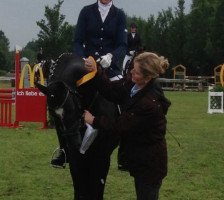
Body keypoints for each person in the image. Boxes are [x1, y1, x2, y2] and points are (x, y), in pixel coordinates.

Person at [50, 0, 127, 199]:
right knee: (63, 103)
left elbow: (122, 44)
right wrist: (83, 60)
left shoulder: (119, 15)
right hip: (86, 69)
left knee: (126, 99)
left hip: (110, 69)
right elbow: (77, 40)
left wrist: (111, 56)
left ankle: (125, 151)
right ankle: (63, 150)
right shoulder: (86, 12)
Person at [84, 52, 171, 200]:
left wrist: (93, 120)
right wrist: (96, 71)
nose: (131, 72)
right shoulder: (135, 83)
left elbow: (119, 125)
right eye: (132, 69)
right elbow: (112, 90)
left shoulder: (148, 103)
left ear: (148, 77)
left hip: (150, 164)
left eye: (136, 72)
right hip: (141, 159)